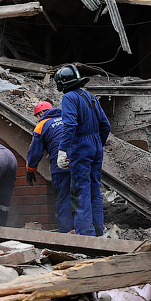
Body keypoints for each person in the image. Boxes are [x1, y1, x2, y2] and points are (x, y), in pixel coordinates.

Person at [55, 64, 111, 236]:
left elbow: (70, 125)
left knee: (80, 191)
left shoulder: (69, 98)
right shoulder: (91, 97)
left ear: (62, 83)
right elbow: (106, 125)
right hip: (95, 146)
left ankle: (85, 235)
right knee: (94, 190)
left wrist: (63, 150)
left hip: (81, 146)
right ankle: (98, 231)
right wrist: (96, 146)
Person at [25, 101, 73, 233]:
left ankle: (66, 233)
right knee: (82, 195)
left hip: (60, 165)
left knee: (63, 198)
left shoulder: (41, 125)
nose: (37, 119)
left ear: (41, 113)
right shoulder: (69, 118)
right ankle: (87, 231)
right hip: (81, 162)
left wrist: (30, 170)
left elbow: (35, 152)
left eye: (37, 116)